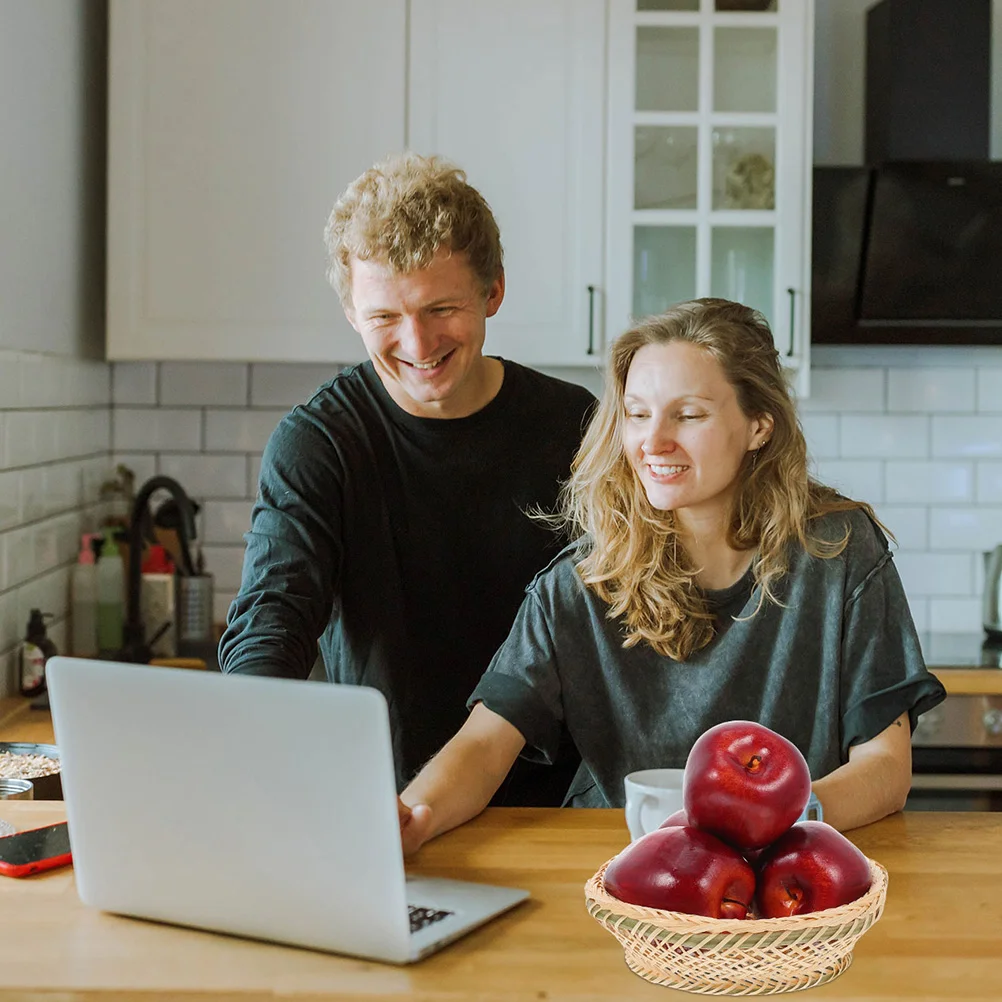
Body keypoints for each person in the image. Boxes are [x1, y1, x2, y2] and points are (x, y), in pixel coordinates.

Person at [397, 298, 946, 854]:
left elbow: (885, 768)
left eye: (687, 414)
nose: (653, 441)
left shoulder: (838, 553)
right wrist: (410, 820)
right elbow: (484, 746)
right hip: (621, 881)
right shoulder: (580, 586)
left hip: (790, 884)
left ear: (759, 425)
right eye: (637, 413)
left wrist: (780, 816)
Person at [219, 153, 596, 806]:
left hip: (558, 806)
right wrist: (251, 727)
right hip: (384, 806)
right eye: (385, 317)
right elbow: (272, 616)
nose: (418, 343)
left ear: (493, 291)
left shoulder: (577, 429)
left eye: (441, 307)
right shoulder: (318, 443)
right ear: (350, 311)